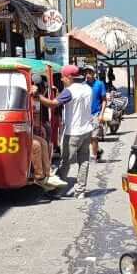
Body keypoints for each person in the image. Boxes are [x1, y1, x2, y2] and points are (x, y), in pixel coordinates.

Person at [32, 64, 93, 198]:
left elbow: (53, 104)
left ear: (70, 77)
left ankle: (56, 190)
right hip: (87, 130)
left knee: (65, 162)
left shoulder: (70, 91)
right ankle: (80, 190)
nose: (61, 79)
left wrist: (38, 96)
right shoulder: (88, 88)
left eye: (63, 77)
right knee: (84, 161)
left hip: (73, 133)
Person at [30, 76, 65, 190]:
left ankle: (48, 173)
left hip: (31, 128)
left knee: (44, 142)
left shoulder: (36, 95)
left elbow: (36, 113)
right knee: (36, 145)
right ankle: (39, 176)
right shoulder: (27, 93)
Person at [86, 66, 106, 162]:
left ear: (94, 73)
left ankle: (93, 156)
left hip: (96, 113)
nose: (87, 74)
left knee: (94, 136)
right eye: (86, 72)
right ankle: (98, 150)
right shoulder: (83, 85)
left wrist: (101, 114)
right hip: (86, 115)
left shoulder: (100, 84)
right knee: (88, 137)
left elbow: (104, 100)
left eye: (90, 72)